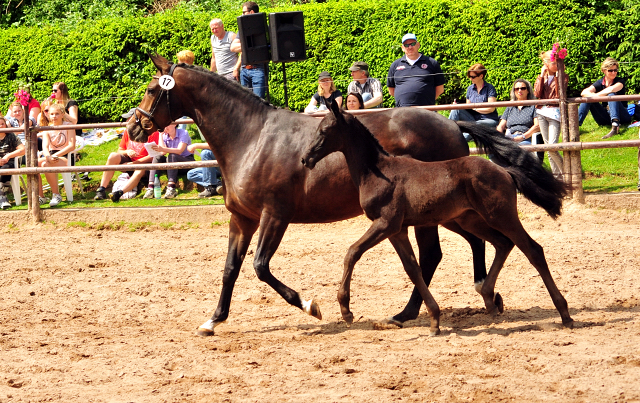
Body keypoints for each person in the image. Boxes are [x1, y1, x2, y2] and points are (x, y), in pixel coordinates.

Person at [95, 109, 160, 201]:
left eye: (129, 119)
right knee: (113, 156)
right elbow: (120, 150)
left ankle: (119, 193)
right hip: (130, 163)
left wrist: (135, 163)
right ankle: (101, 189)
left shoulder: (152, 132)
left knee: (139, 169)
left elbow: (154, 155)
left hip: (144, 165)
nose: (126, 121)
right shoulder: (127, 131)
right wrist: (127, 152)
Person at [386, 33, 446, 107]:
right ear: (402, 48)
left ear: (418, 45)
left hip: (426, 111)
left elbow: (440, 89)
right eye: (406, 45)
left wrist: (428, 100)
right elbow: (391, 90)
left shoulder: (432, 63)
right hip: (402, 111)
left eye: (413, 44)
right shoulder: (395, 65)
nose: (410, 47)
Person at [578, 57, 631, 139]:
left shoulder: (620, 81)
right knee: (587, 99)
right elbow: (584, 92)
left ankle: (615, 126)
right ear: (604, 71)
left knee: (611, 95)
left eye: (615, 70)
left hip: (622, 116)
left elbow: (611, 89)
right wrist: (594, 96)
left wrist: (595, 95)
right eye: (610, 70)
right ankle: (575, 125)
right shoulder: (600, 82)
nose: (613, 73)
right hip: (605, 116)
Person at [534, 50, 566, 180]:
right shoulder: (541, 77)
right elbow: (537, 94)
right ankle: (558, 179)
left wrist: (558, 76)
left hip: (554, 113)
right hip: (542, 112)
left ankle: (568, 173)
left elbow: (560, 93)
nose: (556, 65)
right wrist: (542, 76)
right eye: (553, 63)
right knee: (548, 148)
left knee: (552, 146)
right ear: (546, 63)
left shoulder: (563, 76)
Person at [142, 123, 195, 199]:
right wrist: (160, 135)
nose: (165, 127)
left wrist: (162, 149)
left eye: (168, 124)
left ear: (175, 124)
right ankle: (151, 187)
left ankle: (171, 187)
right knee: (158, 157)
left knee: (172, 155)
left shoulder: (183, 133)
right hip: (173, 163)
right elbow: (162, 153)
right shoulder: (164, 135)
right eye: (164, 125)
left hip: (186, 161)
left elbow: (179, 150)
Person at [37, 103, 76, 207]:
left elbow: (71, 146)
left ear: (62, 114)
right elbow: (45, 147)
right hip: (51, 155)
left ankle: (56, 195)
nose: (54, 116)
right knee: (34, 164)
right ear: (48, 115)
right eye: (52, 114)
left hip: (66, 156)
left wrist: (56, 156)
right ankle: (41, 196)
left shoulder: (69, 126)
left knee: (45, 165)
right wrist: (47, 156)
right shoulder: (47, 129)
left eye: (57, 114)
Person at [496, 79, 543, 161]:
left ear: (528, 91)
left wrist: (522, 137)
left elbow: (537, 126)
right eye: (516, 89)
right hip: (509, 138)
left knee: (515, 151)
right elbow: (501, 125)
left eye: (523, 88)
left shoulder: (533, 106)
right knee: (493, 151)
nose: (519, 90)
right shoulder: (510, 106)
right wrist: (500, 137)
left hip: (526, 138)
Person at [229, 2, 267, 98]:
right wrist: (252, 44)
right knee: (245, 104)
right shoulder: (242, 29)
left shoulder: (263, 28)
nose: (242, 15)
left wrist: (244, 45)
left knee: (258, 103)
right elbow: (233, 47)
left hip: (258, 70)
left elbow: (264, 45)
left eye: (244, 12)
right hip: (244, 70)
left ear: (251, 12)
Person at [448, 63, 499, 133]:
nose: (470, 79)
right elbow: (468, 106)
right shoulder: (470, 89)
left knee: (473, 126)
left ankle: (458, 139)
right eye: (469, 76)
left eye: (473, 77)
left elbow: (491, 108)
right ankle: (448, 132)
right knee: (455, 109)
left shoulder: (490, 88)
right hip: (473, 118)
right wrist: (458, 106)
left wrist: (475, 109)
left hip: (488, 119)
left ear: (481, 76)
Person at [0, 117, 26, 209]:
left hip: (10, 162)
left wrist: (8, 156)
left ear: (5, 125)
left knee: (5, 168)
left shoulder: (11, 135)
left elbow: (23, 150)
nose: (0, 126)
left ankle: (2, 196)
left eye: (2, 124)